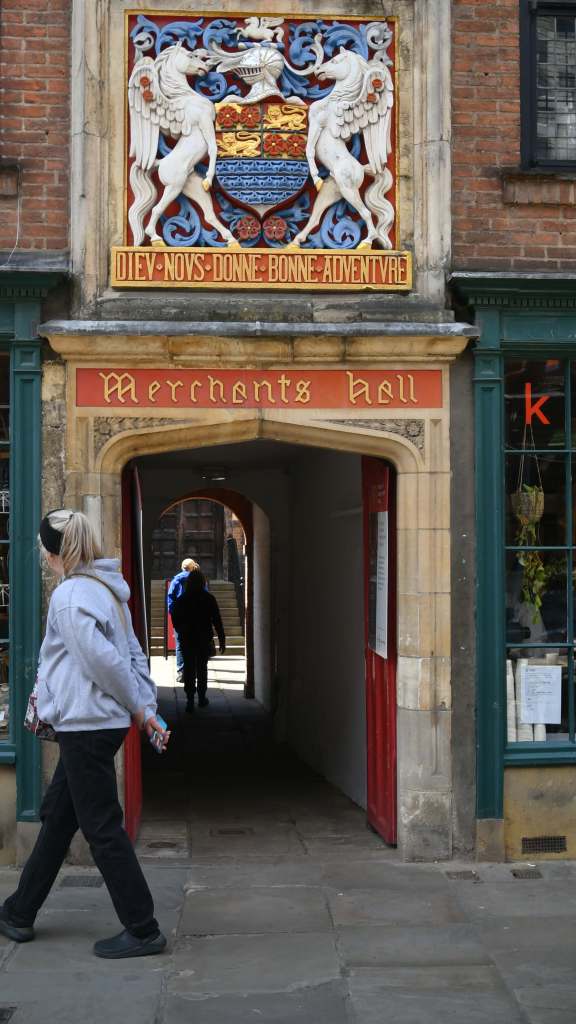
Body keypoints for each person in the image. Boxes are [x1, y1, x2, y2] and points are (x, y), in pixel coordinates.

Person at [0, 509, 169, 959]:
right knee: (59, 818)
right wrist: (144, 709)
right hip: (98, 724)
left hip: (87, 725)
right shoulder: (106, 590)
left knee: (102, 828)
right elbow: (134, 655)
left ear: (52, 552)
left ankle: (143, 927)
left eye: (42, 549)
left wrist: (140, 709)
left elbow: (106, 663)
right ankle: (19, 911)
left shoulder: (71, 597)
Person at [171, 568, 225, 712]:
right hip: (203, 638)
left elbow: (175, 618)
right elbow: (217, 620)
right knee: (202, 668)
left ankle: (189, 700)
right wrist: (222, 638)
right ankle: (201, 698)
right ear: (202, 582)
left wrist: (181, 629)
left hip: (187, 638)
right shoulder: (208, 599)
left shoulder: (182, 600)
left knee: (189, 668)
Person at [167, 557, 200, 682]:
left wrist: (173, 614)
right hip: (195, 617)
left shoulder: (176, 580)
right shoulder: (198, 580)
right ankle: (193, 671)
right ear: (192, 568)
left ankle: (181, 672)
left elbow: (170, 598)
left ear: (182, 567)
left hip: (180, 617)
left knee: (180, 644)